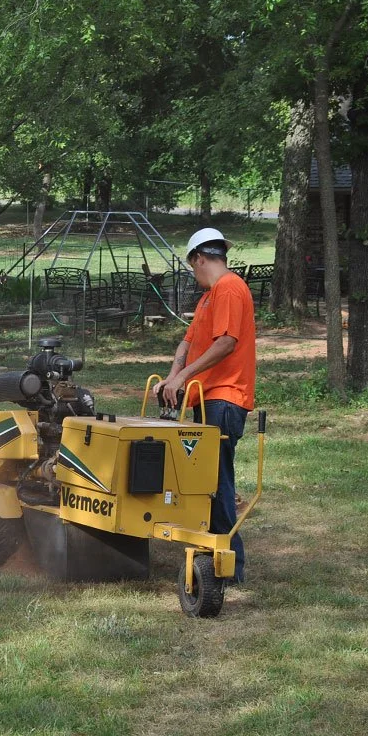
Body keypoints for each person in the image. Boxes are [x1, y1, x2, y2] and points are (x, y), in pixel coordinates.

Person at [155, 227, 256, 583]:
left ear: (199, 258)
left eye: (192, 266)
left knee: (217, 482)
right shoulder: (208, 298)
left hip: (225, 398)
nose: (193, 272)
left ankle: (229, 566)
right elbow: (186, 344)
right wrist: (172, 376)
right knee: (203, 481)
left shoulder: (229, 288)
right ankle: (211, 551)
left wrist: (184, 377)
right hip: (206, 397)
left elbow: (227, 342)